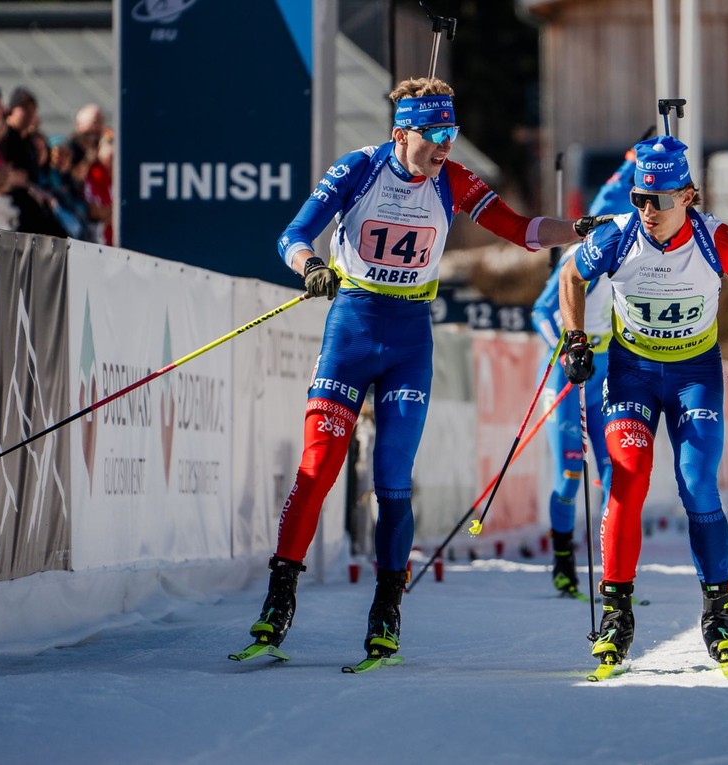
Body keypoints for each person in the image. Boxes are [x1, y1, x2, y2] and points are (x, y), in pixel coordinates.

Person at [244, 76, 606, 663]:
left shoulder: (454, 179)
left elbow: (520, 230)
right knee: (318, 467)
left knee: (392, 479)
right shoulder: (360, 168)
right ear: (401, 134)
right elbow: (292, 235)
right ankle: (278, 601)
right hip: (353, 327)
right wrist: (311, 265)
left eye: (451, 132)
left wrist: (580, 230)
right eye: (434, 133)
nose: (445, 145)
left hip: (409, 338)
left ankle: (386, 612)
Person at [557, 134, 728, 670]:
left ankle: (718, 613)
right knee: (627, 477)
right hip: (631, 374)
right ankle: (617, 615)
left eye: (658, 199)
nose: (647, 211)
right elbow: (570, 275)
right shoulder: (617, 236)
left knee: (698, 482)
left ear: (688, 196)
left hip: (693, 376)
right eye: (639, 198)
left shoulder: (718, 240)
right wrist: (575, 340)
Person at [530, 152, 635, 597]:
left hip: (607, 369)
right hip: (570, 371)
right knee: (570, 475)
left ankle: (614, 572)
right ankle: (563, 564)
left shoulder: (635, 257)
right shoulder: (582, 255)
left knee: (616, 473)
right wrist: (567, 348)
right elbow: (541, 312)